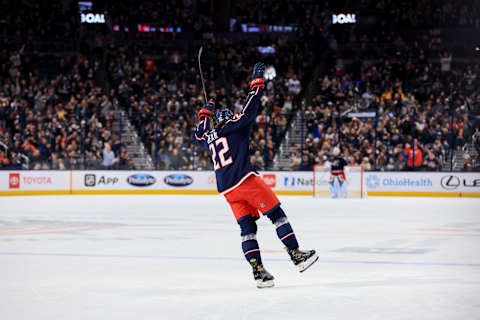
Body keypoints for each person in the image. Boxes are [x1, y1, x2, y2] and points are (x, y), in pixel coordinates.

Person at [194, 62, 318, 288]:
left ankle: (258, 272)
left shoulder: (208, 136)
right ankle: (296, 255)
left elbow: (199, 133)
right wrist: (257, 82)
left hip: (228, 191)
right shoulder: (234, 125)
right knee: (277, 215)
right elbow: (251, 108)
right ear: (229, 118)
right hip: (245, 180)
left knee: (247, 230)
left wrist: (205, 112)